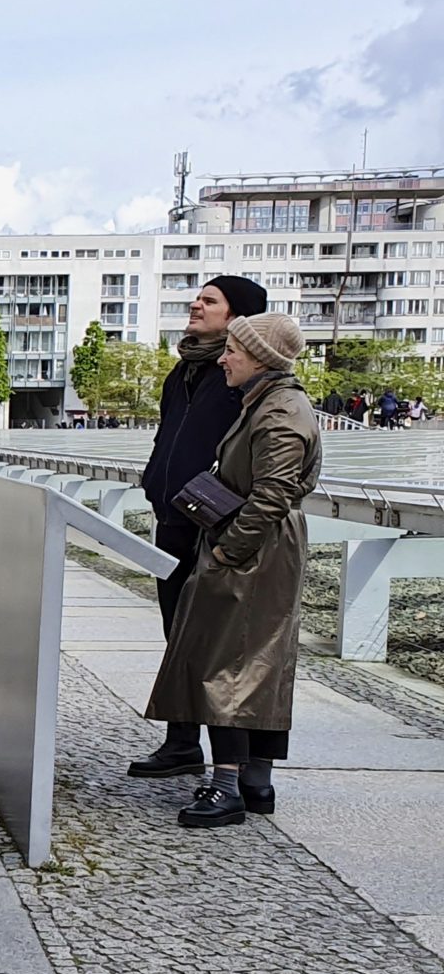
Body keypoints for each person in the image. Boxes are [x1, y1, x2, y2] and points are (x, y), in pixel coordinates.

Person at [144, 313, 319, 828]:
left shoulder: (280, 412)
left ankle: (227, 788)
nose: (224, 358)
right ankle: (254, 782)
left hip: (253, 553)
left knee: (226, 664)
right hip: (255, 549)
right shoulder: (267, 403)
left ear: (261, 358)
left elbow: (271, 497)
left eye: (234, 351)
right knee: (254, 662)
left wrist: (225, 554)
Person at [128, 275, 268, 779]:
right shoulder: (182, 371)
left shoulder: (240, 377)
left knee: (214, 642)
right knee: (176, 633)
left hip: (215, 526)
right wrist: (153, 481)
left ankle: (236, 765)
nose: (196, 305)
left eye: (209, 300)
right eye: (198, 298)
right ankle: (181, 742)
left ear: (238, 317)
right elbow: (170, 435)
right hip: (173, 518)